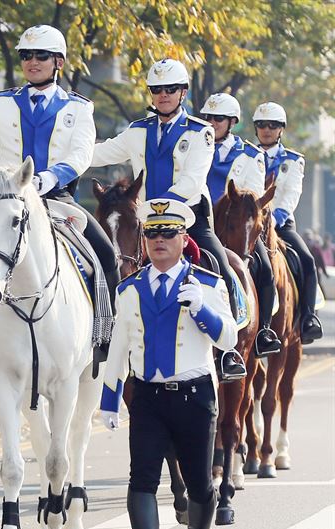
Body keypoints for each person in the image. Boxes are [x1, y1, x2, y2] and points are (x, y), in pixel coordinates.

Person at [0, 24, 119, 376]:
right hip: (9, 202)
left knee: (106, 257)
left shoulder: (78, 108)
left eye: (41, 55)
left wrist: (47, 178)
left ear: (59, 62)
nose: (32, 61)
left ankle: (105, 337)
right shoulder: (3, 102)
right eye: (26, 56)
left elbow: (81, 155)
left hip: (57, 197)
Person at [99, 199, 237, 529]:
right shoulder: (128, 289)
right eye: (152, 233)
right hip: (147, 397)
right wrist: (109, 400)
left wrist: (202, 311)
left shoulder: (208, 284)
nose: (159, 240)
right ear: (143, 240)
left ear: (183, 239)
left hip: (194, 396)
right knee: (141, 479)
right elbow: (119, 347)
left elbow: (228, 338)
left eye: (168, 233)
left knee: (198, 482)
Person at [92, 58, 243, 380]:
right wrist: (62, 155)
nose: (163, 94)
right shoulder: (136, 131)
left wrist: (161, 208)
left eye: (170, 89)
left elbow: (191, 181)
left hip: (189, 217)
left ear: (183, 92)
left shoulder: (200, 132)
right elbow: (99, 154)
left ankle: (229, 349)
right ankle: (103, 335)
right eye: (157, 89)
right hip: (145, 222)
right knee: (112, 263)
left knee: (220, 264)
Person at [200, 92, 281, 357]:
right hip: (199, 222)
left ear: (232, 121)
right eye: (208, 117)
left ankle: (264, 332)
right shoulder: (195, 144)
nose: (212, 122)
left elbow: (254, 196)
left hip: (238, 226)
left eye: (219, 118)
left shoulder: (250, 155)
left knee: (266, 269)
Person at [253, 102, 323, 343]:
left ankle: (308, 318)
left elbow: (291, 195)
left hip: (281, 224)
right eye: (261, 125)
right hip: (250, 225)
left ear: (281, 129)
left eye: (273, 125)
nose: (267, 130)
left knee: (307, 260)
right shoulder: (245, 155)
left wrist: (272, 220)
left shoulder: (293, 160)